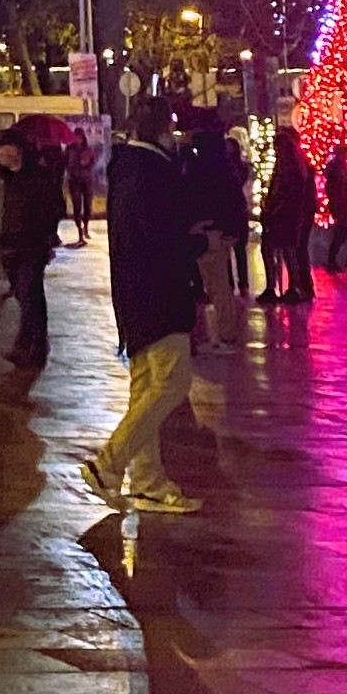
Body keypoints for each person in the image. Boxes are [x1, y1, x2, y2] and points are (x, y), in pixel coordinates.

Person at [84, 98, 203, 514]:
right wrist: (197, 242)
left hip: (134, 297)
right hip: (159, 296)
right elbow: (161, 237)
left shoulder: (128, 168)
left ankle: (148, 481)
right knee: (171, 384)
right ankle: (109, 464)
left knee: (146, 388)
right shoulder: (151, 172)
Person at [0, 130, 65, 370]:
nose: (0, 155)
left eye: (5, 150)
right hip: (4, 245)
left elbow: (54, 208)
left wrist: (43, 234)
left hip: (30, 246)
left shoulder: (38, 177)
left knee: (29, 295)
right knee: (25, 296)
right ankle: (31, 343)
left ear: (17, 150)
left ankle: (31, 347)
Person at [180, 106, 250, 343]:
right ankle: (226, 332)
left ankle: (226, 333)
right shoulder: (220, 158)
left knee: (216, 283)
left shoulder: (201, 160)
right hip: (220, 226)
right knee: (219, 283)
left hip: (209, 227)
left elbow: (200, 192)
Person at [260, 120, 317, 305]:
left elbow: (288, 194)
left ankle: (292, 287)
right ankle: (295, 287)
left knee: (287, 250)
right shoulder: (296, 167)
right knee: (288, 250)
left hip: (286, 216)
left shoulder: (292, 170)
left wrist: (273, 207)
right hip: (286, 215)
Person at [321, 145, 347, 276]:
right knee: (343, 232)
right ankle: (339, 261)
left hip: (342, 204)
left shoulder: (337, 167)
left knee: (346, 232)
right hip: (342, 204)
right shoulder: (338, 168)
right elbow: (341, 187)